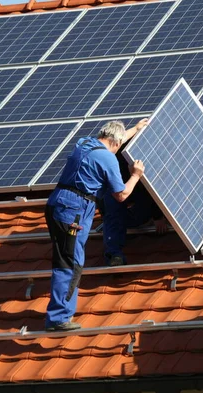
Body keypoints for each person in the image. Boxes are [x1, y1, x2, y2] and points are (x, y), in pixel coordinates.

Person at [44, 119, 148, 331]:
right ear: (116, 143)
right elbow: (121, 195)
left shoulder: (84, 143)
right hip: (73, 211)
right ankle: (59, 318)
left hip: (56, 204)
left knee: (65, 257)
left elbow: (114, 139)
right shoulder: (108, 159)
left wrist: (135, 129)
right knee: (70, 262)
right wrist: (136, 175)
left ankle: (59, 313)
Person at [100, 150, 168, 266]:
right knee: (112, 210)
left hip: (141, 194)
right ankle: (115, 255)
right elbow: (105, 206)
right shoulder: (111, 162)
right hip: (122, 196)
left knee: (123, 211)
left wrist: (158, 215)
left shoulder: (143, 152)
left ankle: (141, 218)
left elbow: (151, 187)